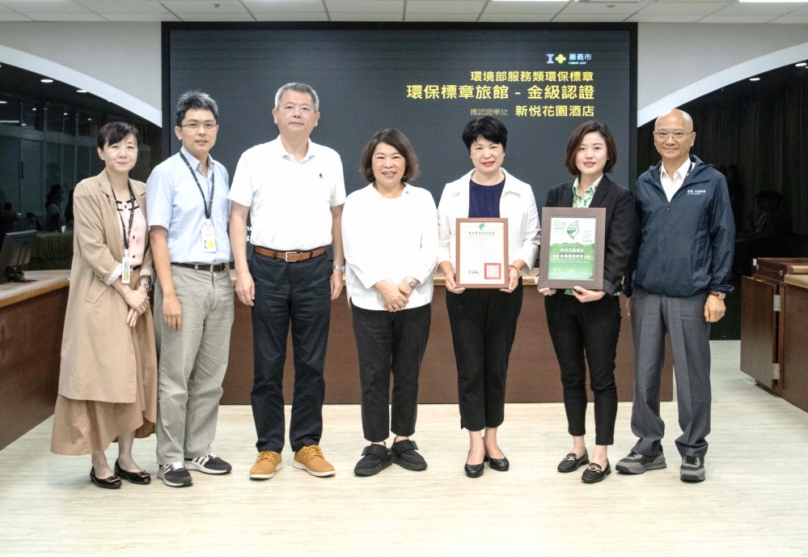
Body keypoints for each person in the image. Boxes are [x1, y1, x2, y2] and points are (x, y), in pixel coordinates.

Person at [229, 82, 346, 480]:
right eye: (289, 106)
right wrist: (242, 270)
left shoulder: (329, 159)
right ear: (275, 114)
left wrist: (339, 267)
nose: (297, 113)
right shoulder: (254, 158)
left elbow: (337, 217)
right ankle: (268, 448)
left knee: (312, 364)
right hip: (266, 269)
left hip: (315, 269)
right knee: (267, 365)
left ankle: (307, 444)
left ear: (317, 118)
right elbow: (238, 217)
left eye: (305, 108)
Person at [619, 108, 735, 483]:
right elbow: (635, 239)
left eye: (677, 134)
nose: (670, 140)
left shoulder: (711, 181)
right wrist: (628, 285)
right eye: (663, 134)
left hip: (692, 294)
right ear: (653, 138)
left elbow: (724, 237)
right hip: (647, 293)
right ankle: (648, 445)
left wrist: (718, 290)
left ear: (692, 138)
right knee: (645, 374)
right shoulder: (644, 182)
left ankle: (693, 450)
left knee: (692, 376)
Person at [50, 122, 155, 489]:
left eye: (129, 147)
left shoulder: (144, 191)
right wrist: (126, 292)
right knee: (98, 379)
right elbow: (93, 249)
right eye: (115, 147)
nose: (123, 153)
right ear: (101, 152)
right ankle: (99, 462)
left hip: (136, 299)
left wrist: (142, 286)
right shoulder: (87, 190)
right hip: (100, 296)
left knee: (134, 377)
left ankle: (125, 457)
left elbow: (153, 246)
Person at [437, 116, 539, 478]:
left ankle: (493, 437)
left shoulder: (521, 190)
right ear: (469, 152)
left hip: (505, 292)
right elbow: (441, 239)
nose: (486, 153)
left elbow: (533, 238)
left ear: (503, 149)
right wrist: (448, 270)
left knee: (496, 367)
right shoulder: (452, 190)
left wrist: (515, 268)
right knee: (470, 369)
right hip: (464, 294)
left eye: (493, 146)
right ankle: (474, 440)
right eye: (478, 147)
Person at [537, 121, 634, 484]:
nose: (588, 155)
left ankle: (600, 454)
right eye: (582, 148)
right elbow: (547, 246)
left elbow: (621, 249)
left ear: (608, 153)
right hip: (560, 304)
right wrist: (544, 277)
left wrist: (605, 287)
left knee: (603, 378)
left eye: (596, 147)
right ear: (572, 154)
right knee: (570, 375)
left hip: (599, 304)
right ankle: (577, 446)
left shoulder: (620, 196)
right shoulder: (557, 194)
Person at [147, 91, 234, 488]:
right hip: (181, 279)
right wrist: (168, 294)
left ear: (217, 129)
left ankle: (197, 448)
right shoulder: (165, 173)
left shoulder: (221, 172)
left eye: (209, 124)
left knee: (211, 377)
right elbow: (158, 236)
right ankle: (168, 458)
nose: (202, 131)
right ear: (179, 130)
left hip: (221, 278)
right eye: (194, 125)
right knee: (175, 375)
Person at [343, 129, 438, 476]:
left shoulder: (423, 198)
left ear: (406, 162)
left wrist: (407, 283)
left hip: (414, 301)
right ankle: (376, 443)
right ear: (371, 162)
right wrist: (384, 287)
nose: (388, 164)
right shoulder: (357, 201)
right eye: (381, 156)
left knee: (408, 374)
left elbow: (431, 247)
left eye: (396, 157)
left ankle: (403, 439)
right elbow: (354, 250)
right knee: (373, 375)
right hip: (370, 302)